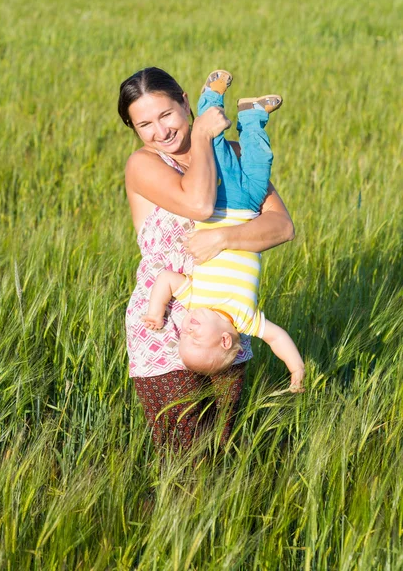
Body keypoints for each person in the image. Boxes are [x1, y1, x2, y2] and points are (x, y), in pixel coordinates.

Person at [118, 67, 295, 452]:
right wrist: (200, 134)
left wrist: (225, 238)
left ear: (185, 101)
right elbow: (199, 204)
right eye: (144, 124)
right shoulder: (144, 165)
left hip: (224, 328)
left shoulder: (232, 154)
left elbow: (281, 227)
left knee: (223, 441)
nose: (160, 131)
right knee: (184, 450)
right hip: (162, 325)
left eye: (166, 114)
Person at [141, 72, 305, 392]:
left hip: (222, 204)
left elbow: (167, 279)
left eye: (183, 336)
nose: (186, 329)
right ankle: (253, 116)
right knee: (260, 159)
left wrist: (155, 311)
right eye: (195, 336)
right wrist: (296, 369)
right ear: (226, 339)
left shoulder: (195, 300)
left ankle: (211, 100)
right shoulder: (246, 320)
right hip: (251, 205)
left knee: (220, 154)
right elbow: (277, 337)